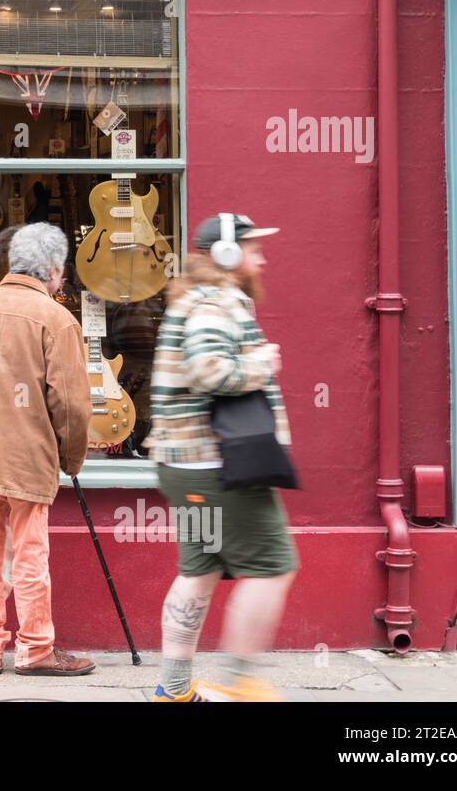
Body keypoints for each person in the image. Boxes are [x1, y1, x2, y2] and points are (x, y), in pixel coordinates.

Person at [143, 213, 297, 702]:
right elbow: (208, 370)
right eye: (253, 248)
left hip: (185, 468)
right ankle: (239, 684)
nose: (263, 258)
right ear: (226, 254)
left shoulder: (192, 298)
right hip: (215, 466)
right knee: (274, 567)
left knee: (200, 571)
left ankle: (174, 690)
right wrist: (261, 363)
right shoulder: (216, 301)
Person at [0, 223, 95, 676]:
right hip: (27, 455)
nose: (62, 278)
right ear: (53, 269)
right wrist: (71, 458)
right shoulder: (57, 318)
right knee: (31, 554)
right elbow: (70, 403)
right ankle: (35, 649)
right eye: (63, 271)